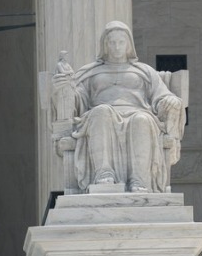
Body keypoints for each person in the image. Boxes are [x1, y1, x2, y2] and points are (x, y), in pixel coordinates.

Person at [52, 21, 184, 193]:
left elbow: (161, 96)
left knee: (142, 119)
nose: (116, 47)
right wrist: (63, 88)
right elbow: (77, 100)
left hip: (139, 113)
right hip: (99, 115)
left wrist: (171, 100)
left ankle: (139, 180)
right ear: (105, 45)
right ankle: (103, 173)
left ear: (129, 44)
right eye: (112, 42)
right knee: (101, 111)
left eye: (121, 42)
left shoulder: (144, 71)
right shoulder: (90, 72)